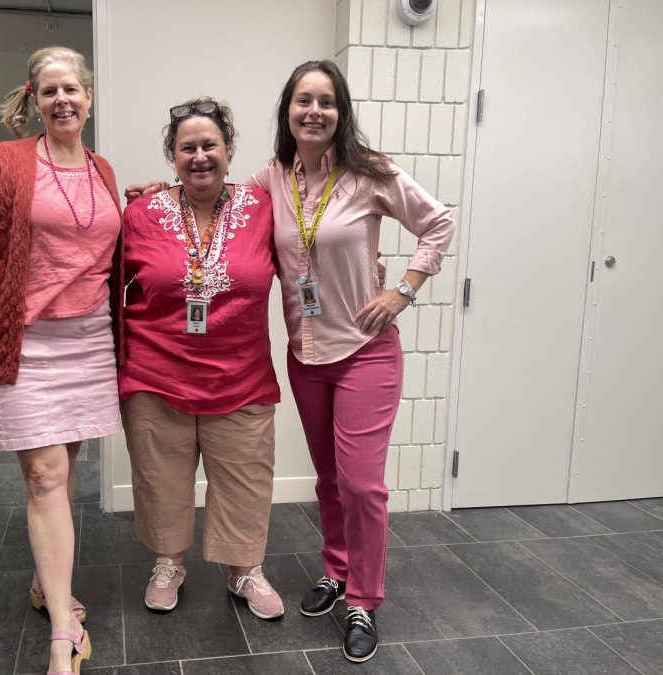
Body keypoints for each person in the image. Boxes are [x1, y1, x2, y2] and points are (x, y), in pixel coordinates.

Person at [246, 60, 455, 663]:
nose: (314, 111)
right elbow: (224, 207)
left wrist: (404, 291)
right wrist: (160, 193)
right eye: (303, 101)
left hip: (365, 351)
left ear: (341, 113)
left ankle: (363, 597)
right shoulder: (272, 179)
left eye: (326, 102)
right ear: (287, 111)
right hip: (306, 354)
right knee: (329, 479)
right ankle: (336, 570)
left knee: (362, 485)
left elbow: (437, 222)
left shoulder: (368, 174)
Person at [0, 46, 123, 675]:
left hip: (89, 339)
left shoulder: (103, 171)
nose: (62, 100)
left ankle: (44, 582)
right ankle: (64, 631)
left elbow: (108, 239)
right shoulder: (6, 161)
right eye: (50, 90)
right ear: (34, 97)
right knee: (45, 477)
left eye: (72, 90)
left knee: (64, 464)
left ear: (88, 98)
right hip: (25, 338)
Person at [118, 97, 285, 621]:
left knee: (245, 478)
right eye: (186, 147)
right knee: (160, 477)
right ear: (172, 154)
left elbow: (309, 256)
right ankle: (168, 562)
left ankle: (244, 568)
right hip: (156, 372)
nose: (199, 156)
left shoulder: (263, 207)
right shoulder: (141, 213)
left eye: (210, 145)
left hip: (243, 375)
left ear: (229, 151)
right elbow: (106, 284)